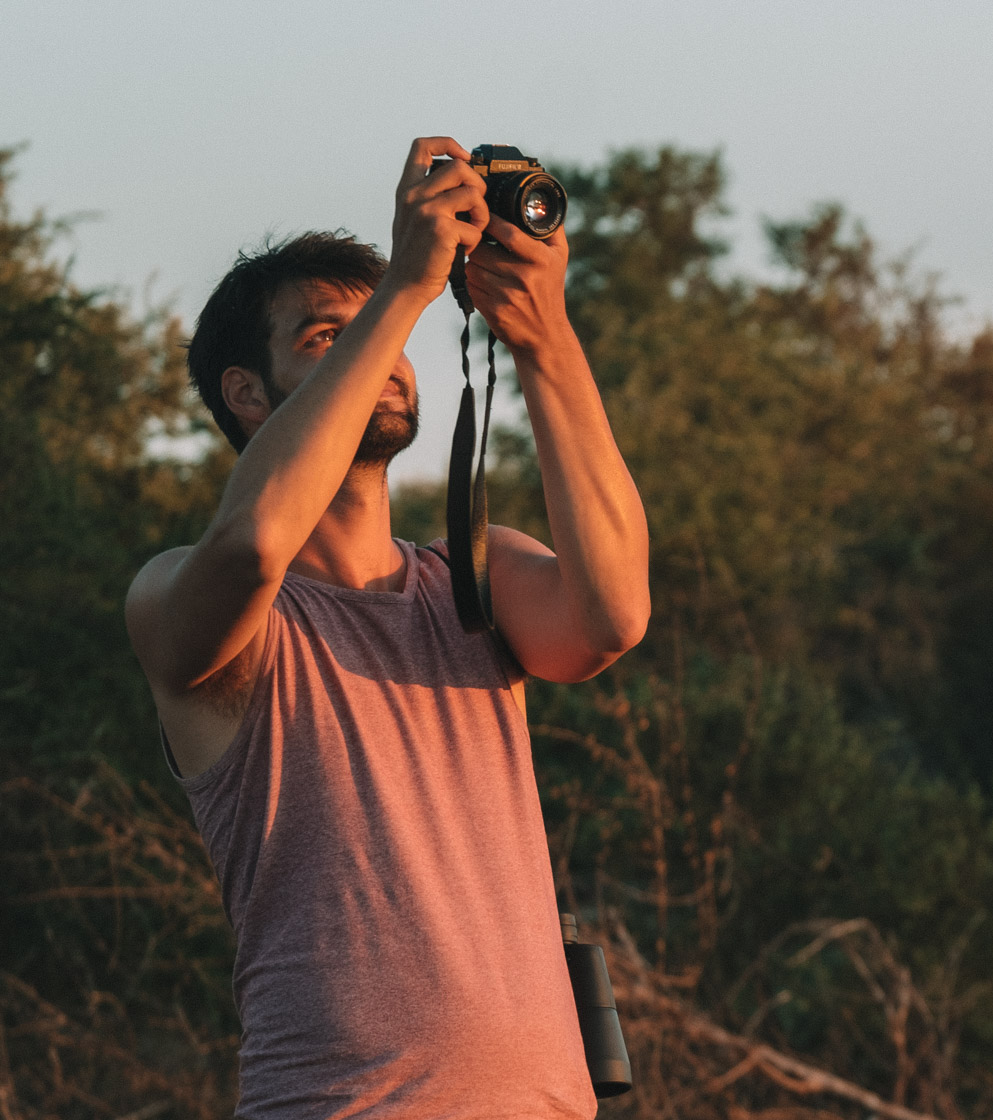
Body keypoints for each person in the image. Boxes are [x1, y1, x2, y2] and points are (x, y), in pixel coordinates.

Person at [125, 137, 649, 1118]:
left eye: (387, 332)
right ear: (248, 394)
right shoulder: (186, 603)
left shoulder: (475, 576)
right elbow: (249, 547)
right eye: (333, 336)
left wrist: (543, 333)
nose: (386, 354)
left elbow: (614, 616)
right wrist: (408, 285)